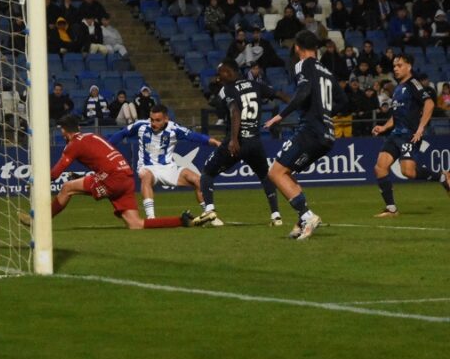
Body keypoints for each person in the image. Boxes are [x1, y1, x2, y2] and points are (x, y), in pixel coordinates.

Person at [19, 114, 195, 230]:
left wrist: (35, 182)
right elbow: (104, 160)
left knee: (67, 188)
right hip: (126, 177)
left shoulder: (73, 144)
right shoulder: (92, 136)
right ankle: (182, 220)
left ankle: (38, 223)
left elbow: (55, 174)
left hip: (112, 178)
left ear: (64, 130)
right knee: (135, 224)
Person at [264, 30, 349, 240]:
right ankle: (302, 221)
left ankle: (307, 215)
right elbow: (345, 102)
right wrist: (326, 113)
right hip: (327, 134)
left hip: (311, 129)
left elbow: (303, 93)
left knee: (275, 173)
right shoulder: (326, 72)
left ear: (297, 47)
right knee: (286, 172)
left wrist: (280, 116)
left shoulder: (304, 64)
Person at [193, 59, 288, 227]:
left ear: (230, 72)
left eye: (221, 73)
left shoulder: (227, 89)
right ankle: (276, 216)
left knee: (207, 173)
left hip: (237, 142)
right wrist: (299, 104)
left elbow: (235, 112)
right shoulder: (255, 85)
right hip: (255, 142)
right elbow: (279, 94)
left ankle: (210, 210)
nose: (219, 76)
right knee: (266, 176)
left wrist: (234, 139)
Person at [370, 53, 450, 216]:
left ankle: (442, 176)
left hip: (409, 135)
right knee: (380, 167)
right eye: (394, 66)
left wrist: (421, 127)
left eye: (399, 65)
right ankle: (391, 209)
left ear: (409, 67)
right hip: (395, 135)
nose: (396, 68)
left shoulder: (413, 84)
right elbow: (397, 114)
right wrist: (384, 127)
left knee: (408, 172)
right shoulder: (398, 88)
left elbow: (429, 103)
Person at [108, 104, 220, 220]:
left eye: (157, 120)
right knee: (146, 177)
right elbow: (121, 134)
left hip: (169, 168)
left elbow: (194, 136)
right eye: (152, 119)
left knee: (198, 180)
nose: (153, 123)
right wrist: (106, 146)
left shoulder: (174, 129)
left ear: (166, 119)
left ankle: (209, 215)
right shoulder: (141, 125)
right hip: (147, 167)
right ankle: (151, 218)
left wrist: (214, 142)